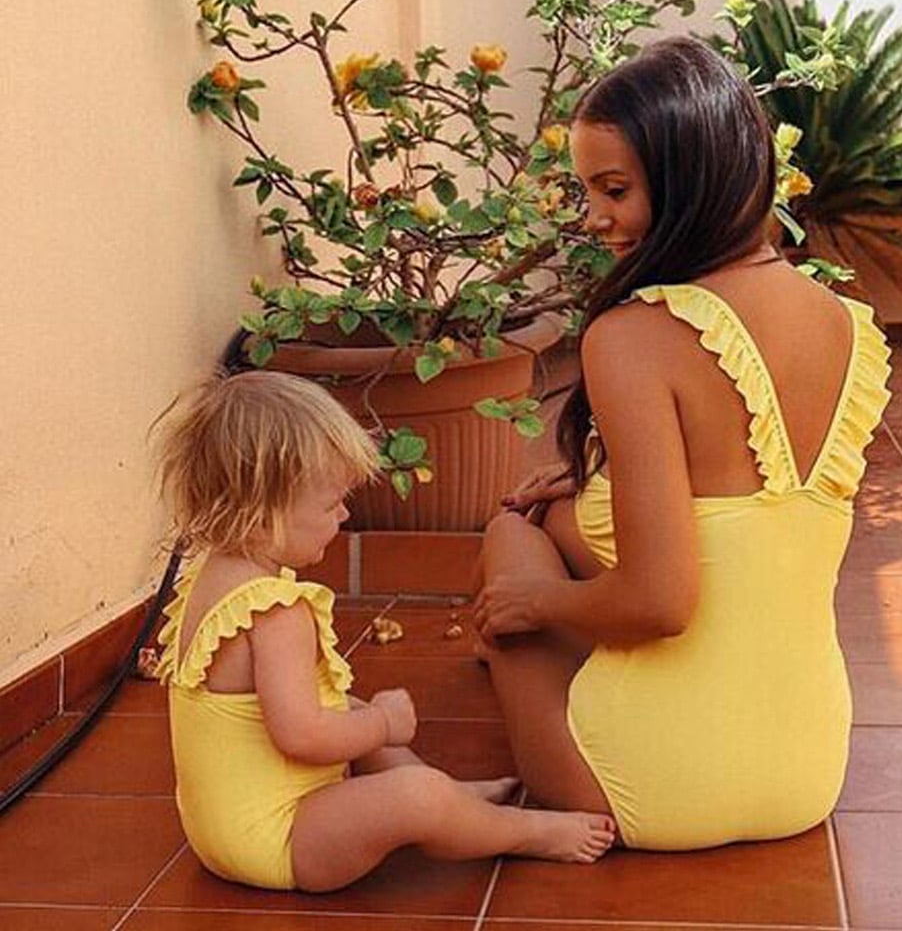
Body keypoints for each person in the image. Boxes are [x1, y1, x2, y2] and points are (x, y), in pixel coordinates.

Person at [472, 36, 892, 850]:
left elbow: (661, 603)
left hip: (642, 791)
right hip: (806, 773)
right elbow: (742, 522)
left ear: (690, 177)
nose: (594, 218)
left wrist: (535, 604)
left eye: (615, 190)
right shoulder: (849, 326)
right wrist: (592, 479)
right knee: (563, 519)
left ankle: (514, 646)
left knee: (510, 537)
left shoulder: (635, 337)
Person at [152, 370, 615, 892]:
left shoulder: (210, 578)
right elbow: (303, 736)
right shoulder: (276, 614)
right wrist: (384, 725)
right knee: (414, 796)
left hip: (220, 833)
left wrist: (361, 717)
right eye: (330, 505)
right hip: (281, 840)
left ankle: (455, 800)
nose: (345, 515)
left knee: (345, 708)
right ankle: (523, 831)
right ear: (263, 515)